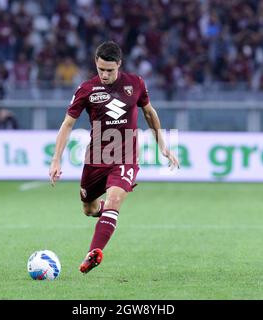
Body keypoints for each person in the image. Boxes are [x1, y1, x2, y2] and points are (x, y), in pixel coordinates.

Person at [49, 41, 180, 274]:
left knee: (114, 200)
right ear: (95, 64)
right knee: (89, 209)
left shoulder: (135, 83)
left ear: (119, 64)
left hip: (126, 156)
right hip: (96, 157)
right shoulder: (86, 89)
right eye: (101, 70)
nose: (105, 74)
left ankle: (94, 252)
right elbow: (67, 124)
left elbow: (149, 112)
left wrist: (162, 145)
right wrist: (56, 159)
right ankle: (108, 216)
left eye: (110, 70)